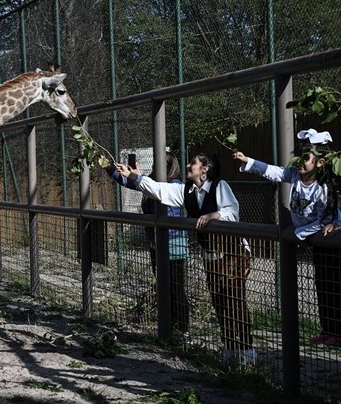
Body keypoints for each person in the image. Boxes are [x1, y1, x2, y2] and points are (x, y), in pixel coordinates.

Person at [112, 152, 254, 366]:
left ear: (205, 168)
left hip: (232, 253)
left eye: (194, 163)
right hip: (211, 254)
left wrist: (213, 215)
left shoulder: (219, 186)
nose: (188, 165)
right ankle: (230, 348)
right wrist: (134, 177)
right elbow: (160, 190)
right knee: (218, 301)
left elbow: (232, 211)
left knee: (234, 301)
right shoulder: (186, 190)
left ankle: (247, 352)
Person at [233, 128, 341, 346]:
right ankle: (328, 329)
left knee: (336, 286)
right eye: (298, 156)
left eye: (305, 158)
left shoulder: (323, 187)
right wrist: (248, 160)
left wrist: (297, 234)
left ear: (320, 162)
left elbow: (324, 220)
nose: (299, 161)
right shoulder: (295, 175)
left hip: (334, 239)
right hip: (315, 239)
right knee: (321, 284)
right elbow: (273, 171)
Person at [105, 152, 190, 334]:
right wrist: (109, 167)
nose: (155, 169)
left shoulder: (175, 185)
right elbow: (130, 182)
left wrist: (140, 178)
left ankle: (182, 329)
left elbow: (158, 194)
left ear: (168, 167)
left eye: (158, 166)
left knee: (175, 288)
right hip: (155, 244)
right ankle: (169, 326)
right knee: (163, 286)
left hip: (173, 244)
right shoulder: (152, 181)